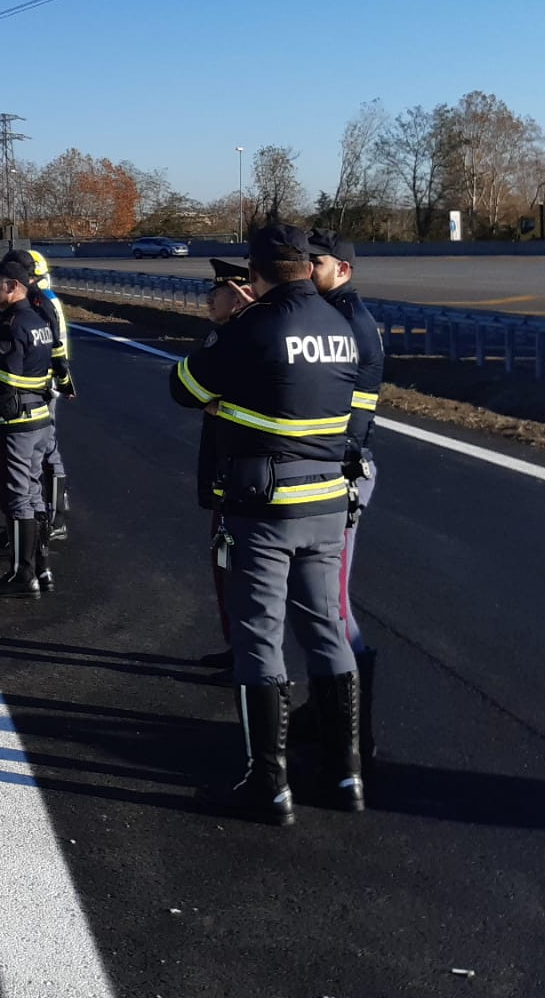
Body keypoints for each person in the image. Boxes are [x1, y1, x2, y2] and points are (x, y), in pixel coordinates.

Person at [170, 223, 361, 825]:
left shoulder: (252, 327)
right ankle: (346, 773)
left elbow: (183, 386)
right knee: (327, 632)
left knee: (258, 636)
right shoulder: (341, 326)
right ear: (307, 265)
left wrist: (228, 339)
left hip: (266, 502)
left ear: (255, 273)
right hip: (328, 499)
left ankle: (268, 783)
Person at [308, 228, 385, 767]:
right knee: (319, 601)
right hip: (331, 466)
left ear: (344, 270)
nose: (307, 269)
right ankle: (326, 709)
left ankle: (358, 733)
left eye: (316, 262)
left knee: (333, 602)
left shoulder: (348, 323)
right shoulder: (332, 314)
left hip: (341, 469)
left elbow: (353, 419)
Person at [0, 253, 58, 599]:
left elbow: (3, 380)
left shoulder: (11, 325)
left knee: (17, 497)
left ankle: (22, 575)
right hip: (38, 420)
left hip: (15, 423)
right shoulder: (37, 319)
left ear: (13, 286)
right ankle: (41, 566)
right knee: (34, 494)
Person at [196, 259, 256, 672]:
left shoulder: (233, 337)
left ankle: (246, 655)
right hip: (235, 467)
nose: (207, 301)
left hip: (235, 472)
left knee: (232, 566)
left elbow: (188, 385)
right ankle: (239, 646)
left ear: (236, 298)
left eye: (214, 294)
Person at [26, 248, 76, 542]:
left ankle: (54, 515)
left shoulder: (42, 303)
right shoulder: (45, 300)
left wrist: (60, 380)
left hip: (44, 384)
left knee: (47, 450)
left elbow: (54, 347)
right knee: (47, 449)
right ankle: (53, 509)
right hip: (50, 381)